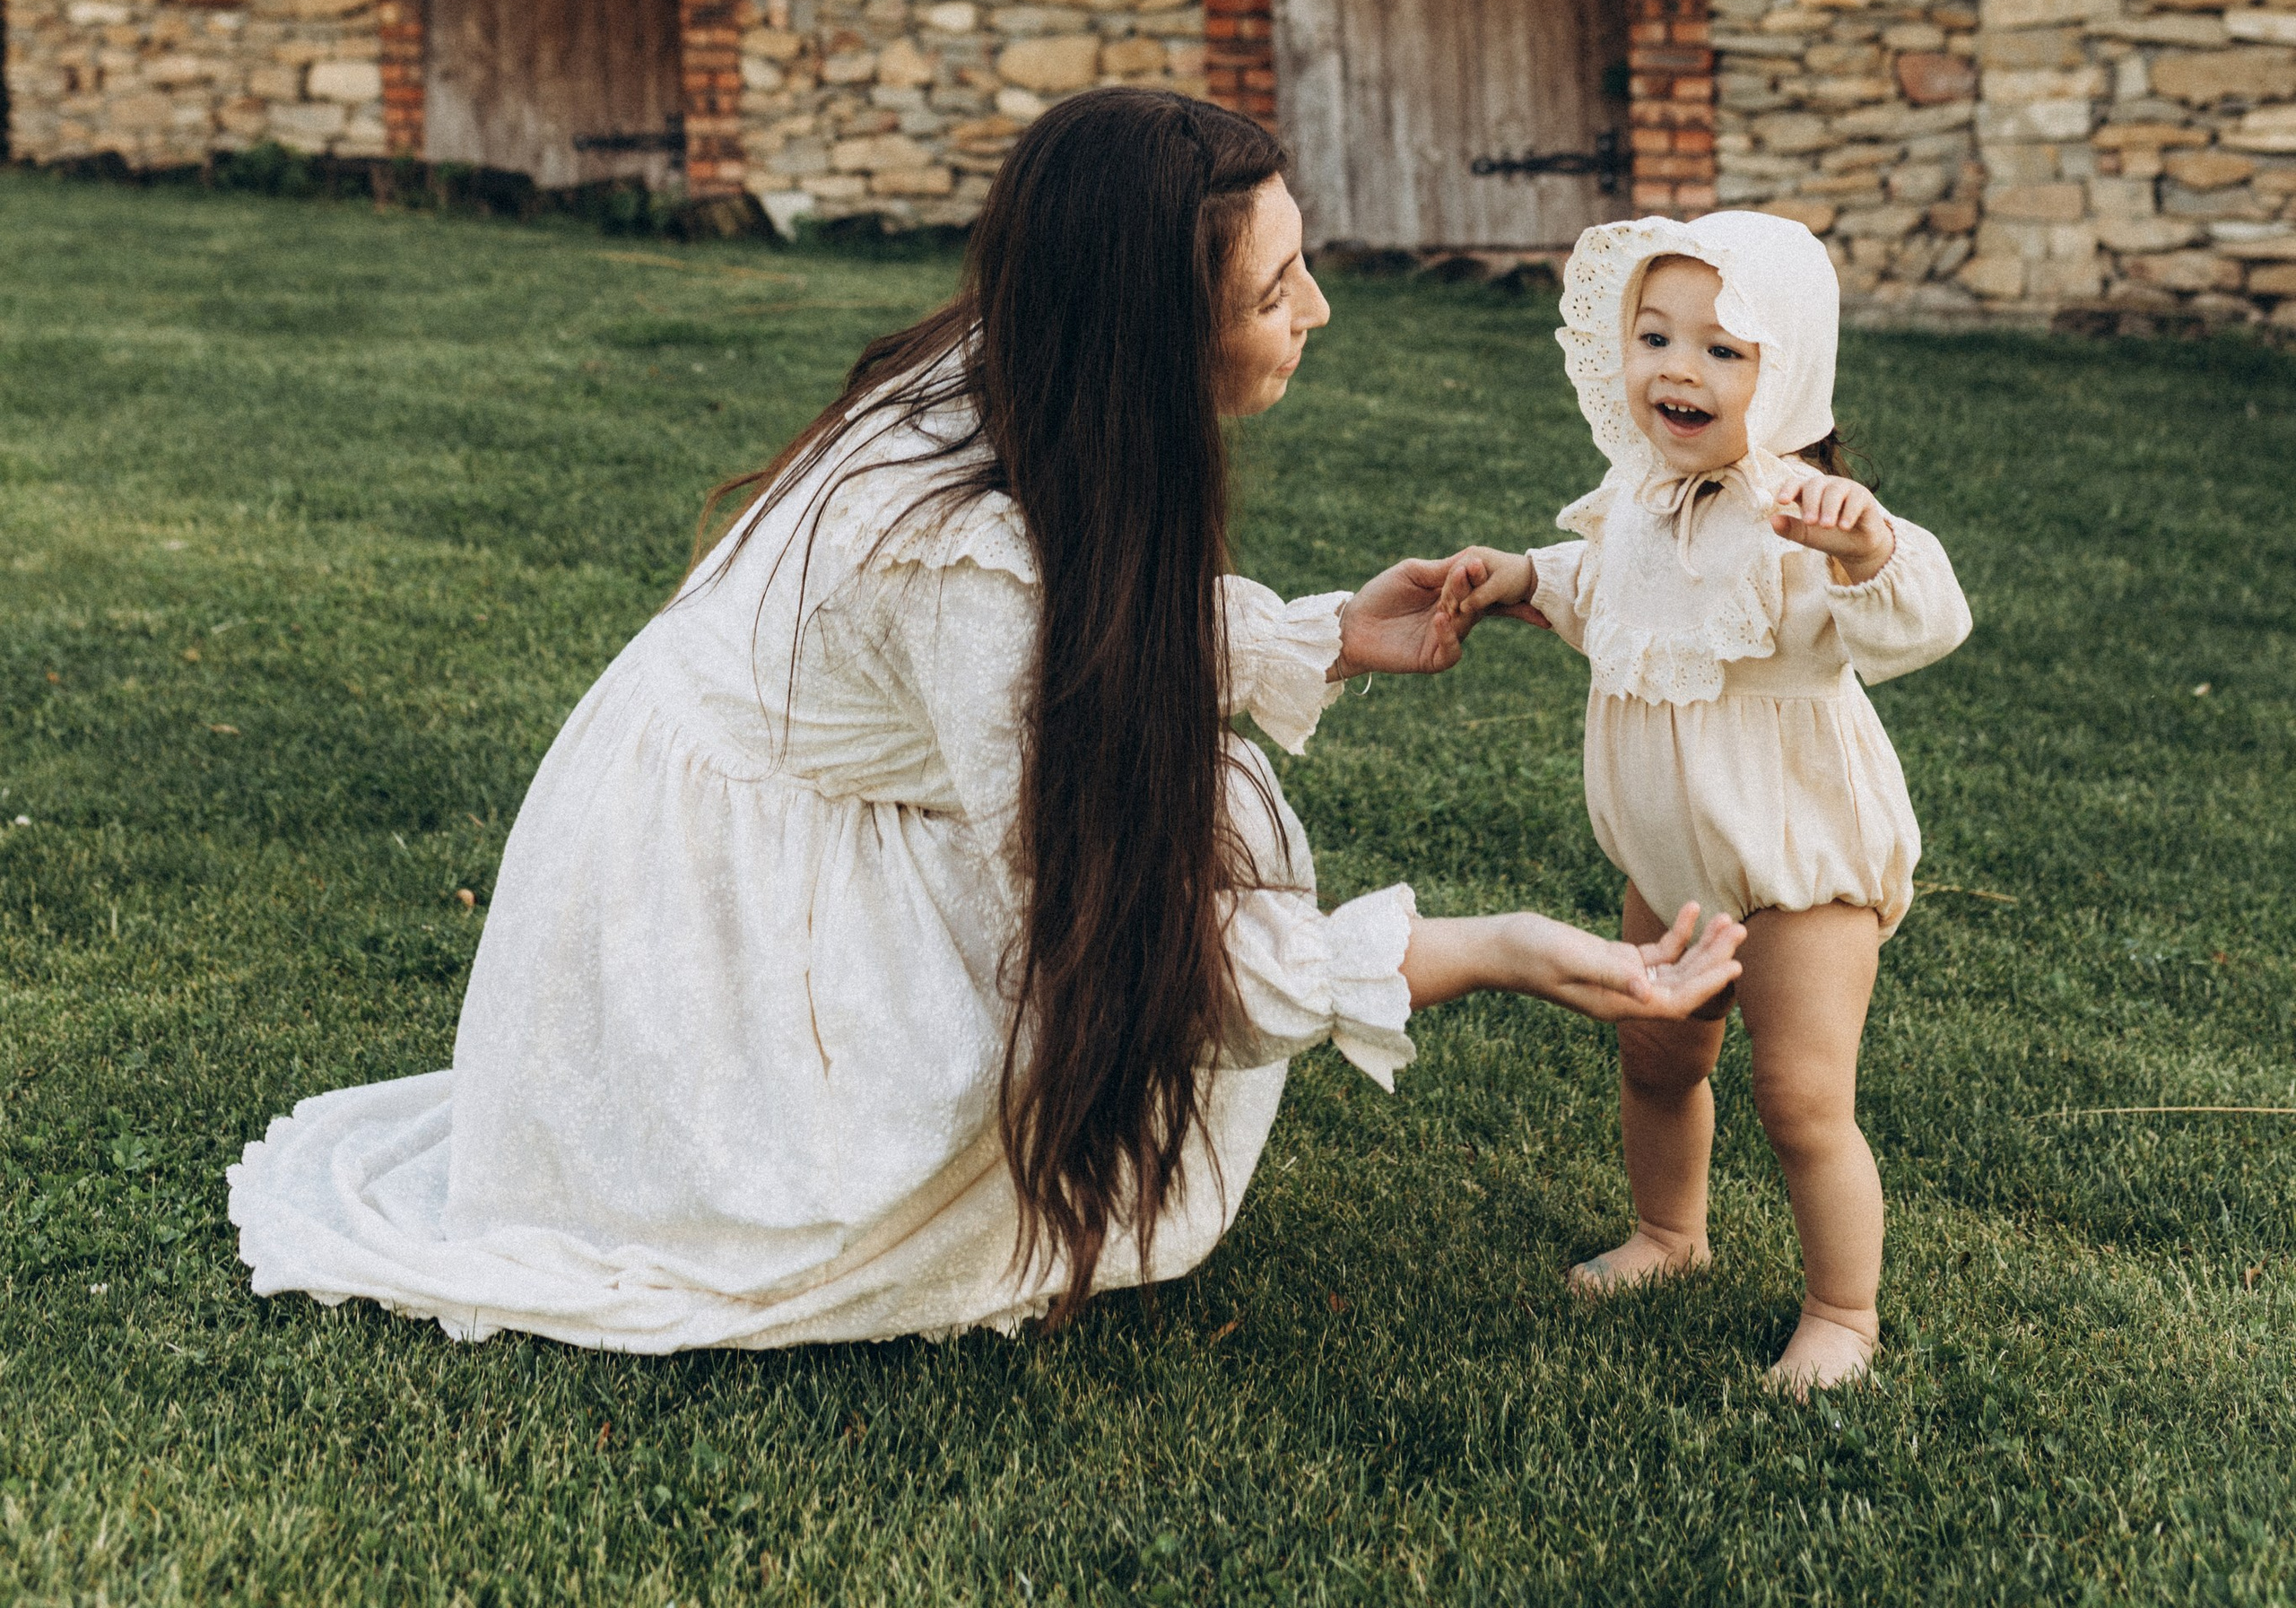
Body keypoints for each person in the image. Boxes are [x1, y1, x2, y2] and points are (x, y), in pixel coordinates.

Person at [229, 94, 1744, 1352]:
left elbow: (1077, 631)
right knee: (1161, 867)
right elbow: (1132, 946)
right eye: (1272, 292)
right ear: (1148, 331)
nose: (1317, 312)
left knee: (1204, 805)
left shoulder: (1021, 361)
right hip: (698, 890)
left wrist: (1320, 634)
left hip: (804, 773)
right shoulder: (965, 563)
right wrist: (1489, 950)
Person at [1440, 211, 1972, 1394]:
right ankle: (1669, 1233)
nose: (1678, 369)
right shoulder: (1640, 495)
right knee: (1655, 1059)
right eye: (1655, 337)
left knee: (1801, 1097)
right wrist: (1524, 577)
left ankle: (1842, 1312)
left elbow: (1928, 619)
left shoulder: (1805, 516)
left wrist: (1866, 551)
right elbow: (1607, 587)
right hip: (1670, 863)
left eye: (1723, 350)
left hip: (1796, 866)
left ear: (1788, 374)